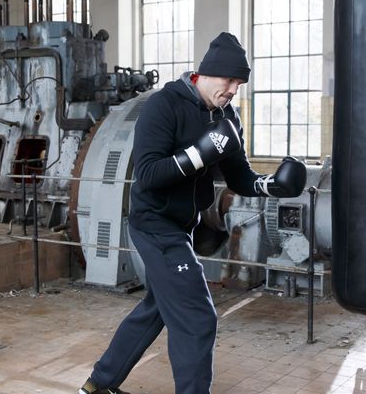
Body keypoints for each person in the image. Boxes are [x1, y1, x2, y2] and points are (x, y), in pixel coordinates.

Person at [79, 32, 306, 394]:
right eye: (228, 80)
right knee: (198, 318)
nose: (233, 89)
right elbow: (148, 174)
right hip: (154, 225)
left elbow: (239, 176)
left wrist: (270, 186)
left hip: (184, 226)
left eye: (240, 82)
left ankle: (98, 384)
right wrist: (198, 154)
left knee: (156, 309)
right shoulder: (164, 105)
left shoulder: (227, 117)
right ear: (204, 74)